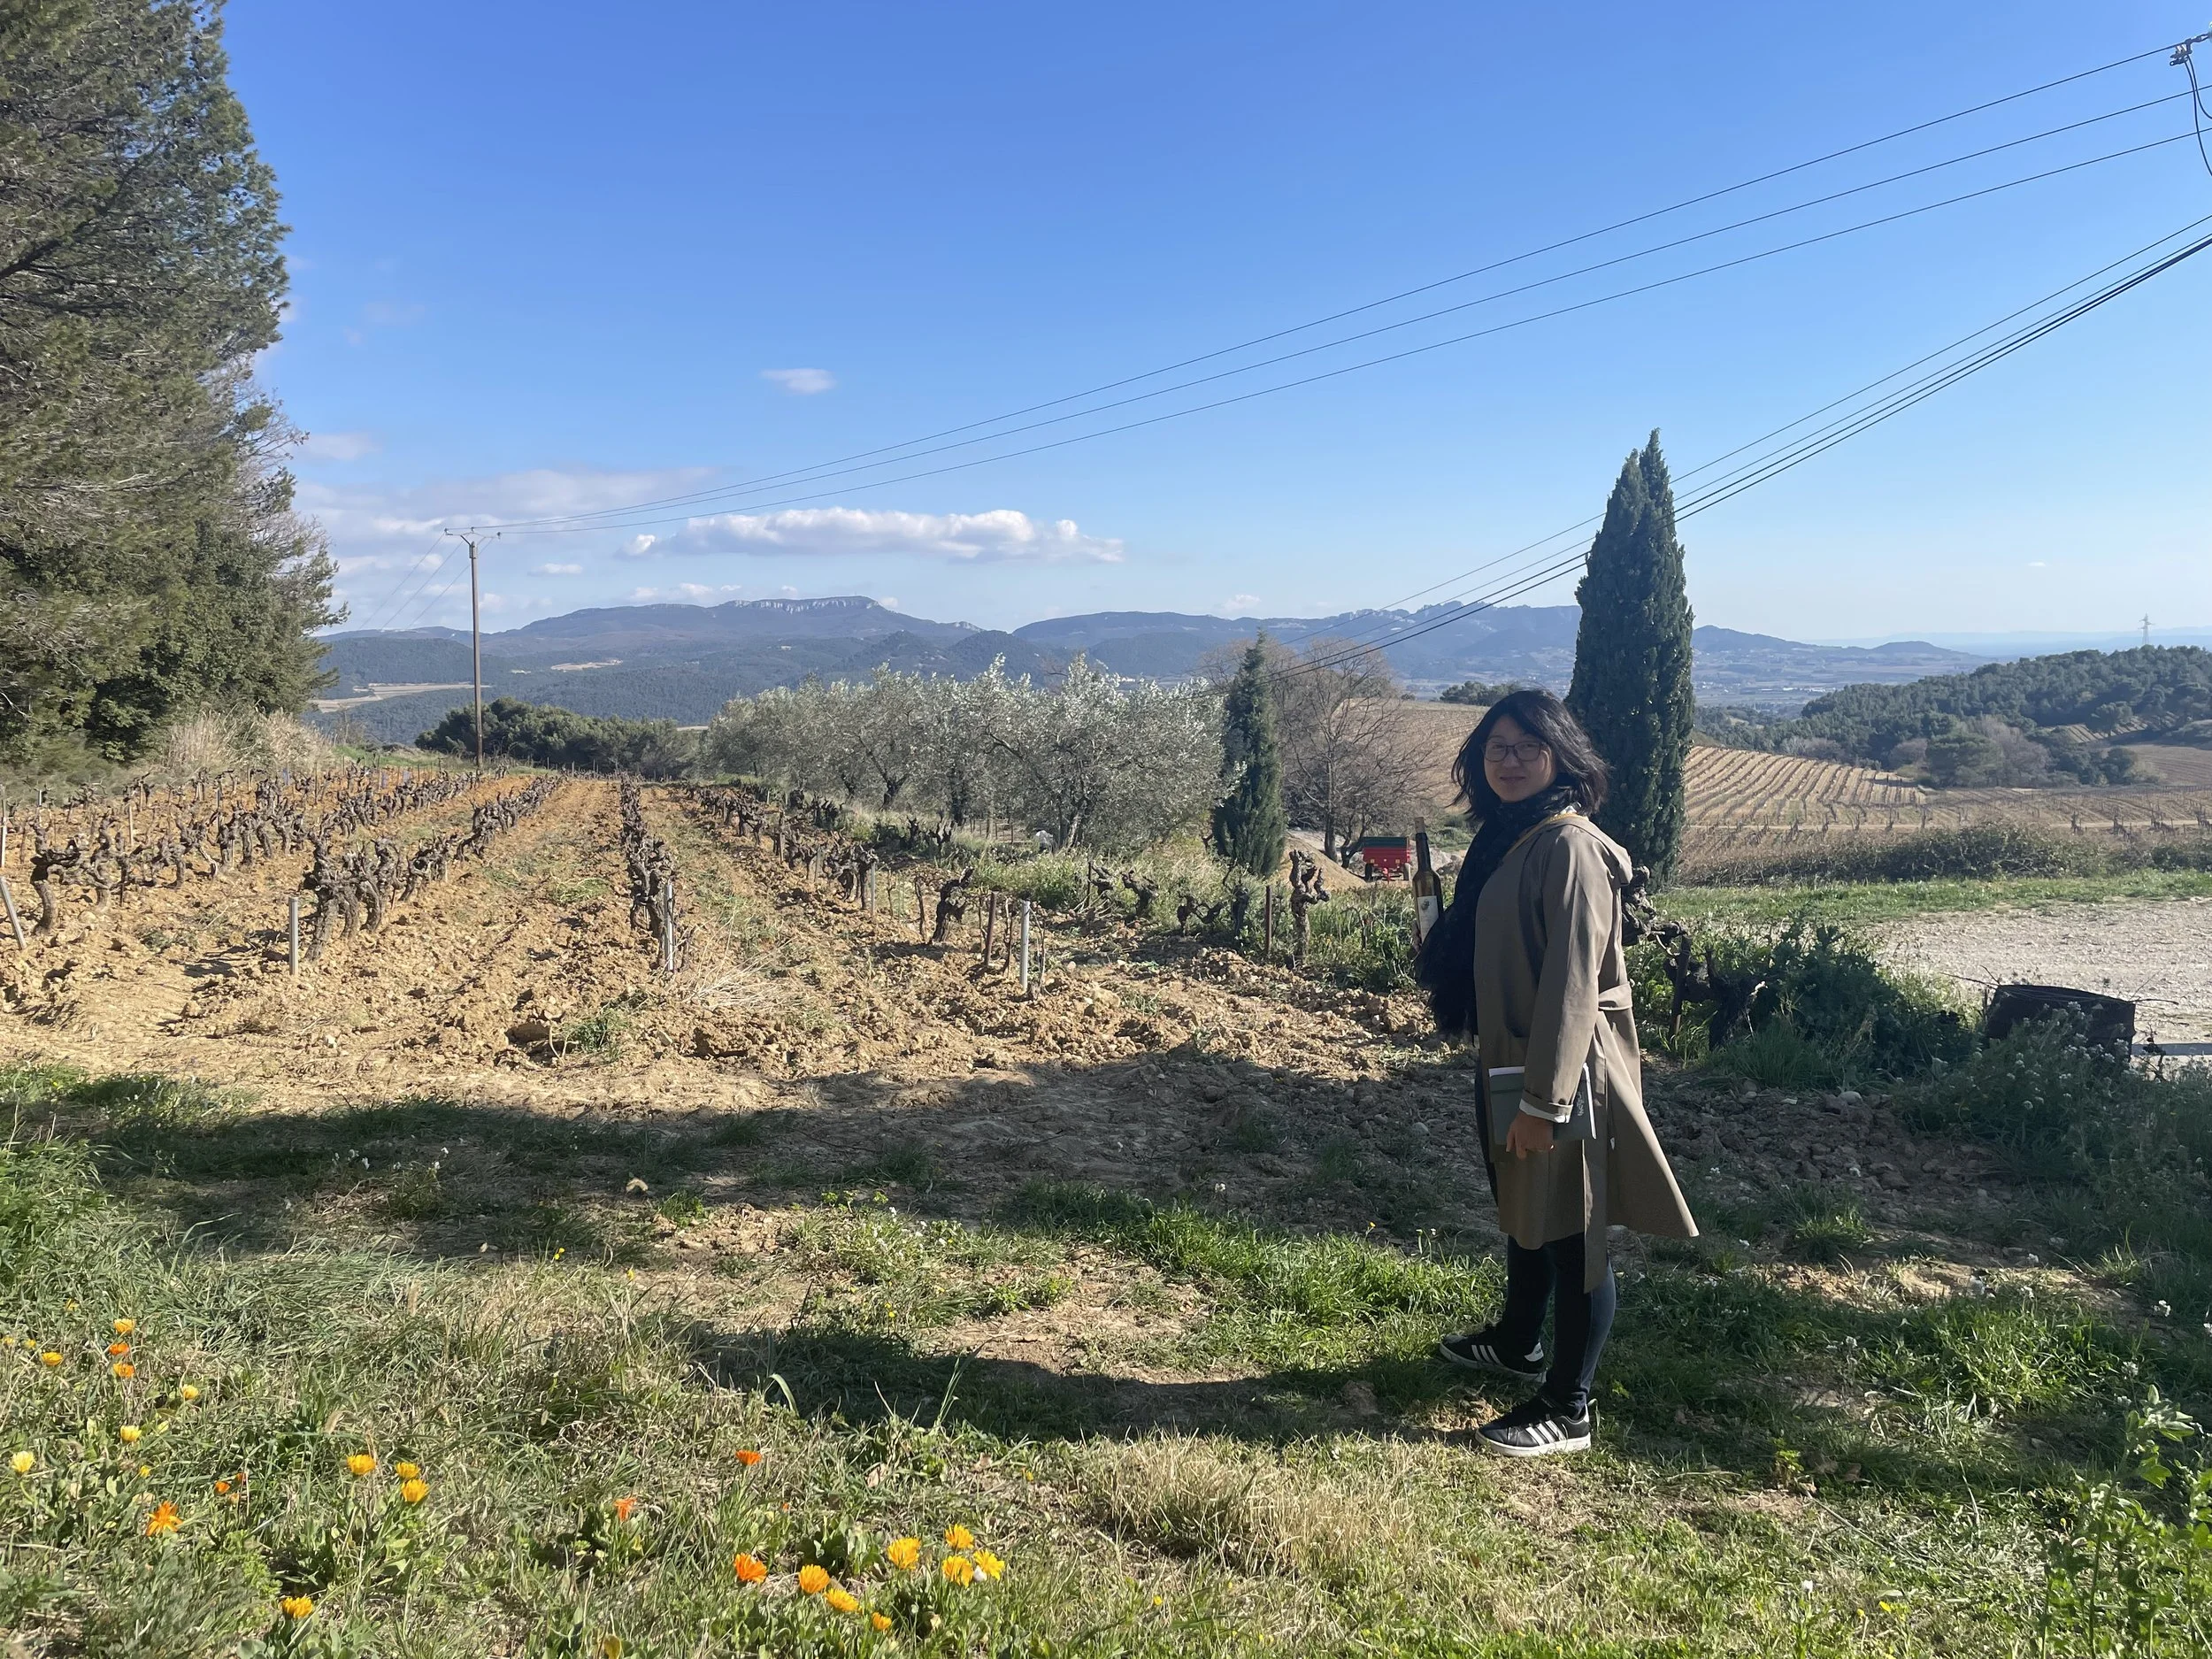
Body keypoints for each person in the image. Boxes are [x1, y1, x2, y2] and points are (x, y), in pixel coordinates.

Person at [1414, 687, 1696, 1456]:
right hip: (1510, 1055)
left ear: (1561, 756)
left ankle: (1568, 1407)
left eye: (1526, 747)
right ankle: (1516, 1341)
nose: (1508, 761)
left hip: (1564, 1068)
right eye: (1494, 747)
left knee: (1573, 1231)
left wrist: (1545, 1099)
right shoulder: (1512, 836)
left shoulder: (1568, 846)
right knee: (1524, 1205)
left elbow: (1574, 986)